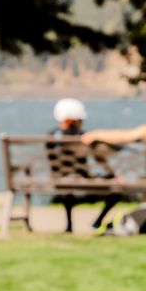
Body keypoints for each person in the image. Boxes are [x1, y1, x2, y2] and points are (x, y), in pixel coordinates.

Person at [47, 98, 109, 233]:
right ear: (73, 119)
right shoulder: (84, 136)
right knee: (115, 190)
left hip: (59, 181)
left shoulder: (51, 136)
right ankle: (98, 222)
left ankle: (69, 226)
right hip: (82, 181)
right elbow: (99, 158)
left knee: (68, 185)